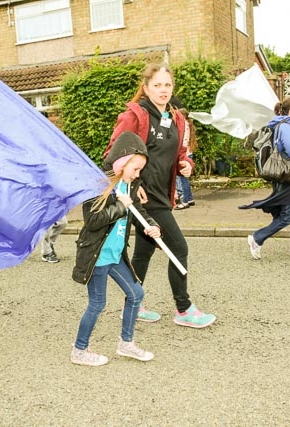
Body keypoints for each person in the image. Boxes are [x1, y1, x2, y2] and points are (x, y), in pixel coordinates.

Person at [104, 63, 216, 328]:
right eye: (157, 85)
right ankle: (184, 308)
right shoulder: (136, 116)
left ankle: (133, 304)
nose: (163, 90)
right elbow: (112, 155)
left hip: (163, 194)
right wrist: (132, 182)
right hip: (144, 197)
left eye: (167, 85)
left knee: (144, 252)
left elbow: (176, 154)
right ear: (146, 88)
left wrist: (185, 164)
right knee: (178, 248)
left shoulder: (175, 118)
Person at [71, 131, 160, 366]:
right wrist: (120, 206)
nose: (138, 175)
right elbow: (93, 221)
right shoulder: (100, 186)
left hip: (115, 254)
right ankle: (79, 350)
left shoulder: (129, 187)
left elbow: (140, 212)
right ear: (122, 163)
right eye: (135, 169)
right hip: (97, 256)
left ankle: (126, 344)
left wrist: (152, 226)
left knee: (136, 294)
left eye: (140, 170)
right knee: (97, 304)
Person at [240, 96, 290, 260]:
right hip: (289, 177)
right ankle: (257, 238)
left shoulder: (287, 125)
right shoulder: (285, 127)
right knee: (288, 215)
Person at [174, 108, 197, 210]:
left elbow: (180, 141)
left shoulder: (183, 126)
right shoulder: (189, 124)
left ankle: (185, 201)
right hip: (188, 153)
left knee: (182, 179)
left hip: (183, 154)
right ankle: (190, 198)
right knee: (185, 179)